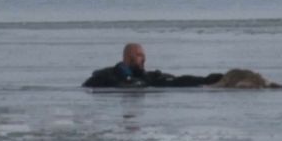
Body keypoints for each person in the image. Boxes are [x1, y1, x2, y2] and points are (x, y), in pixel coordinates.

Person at [82, 43, 223, 88]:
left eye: (143, 55)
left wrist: (206, 80)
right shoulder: (106, 76)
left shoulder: (149, 77)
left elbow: (176, 81)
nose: (143, 59)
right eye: (138, 55)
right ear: (126, 57)